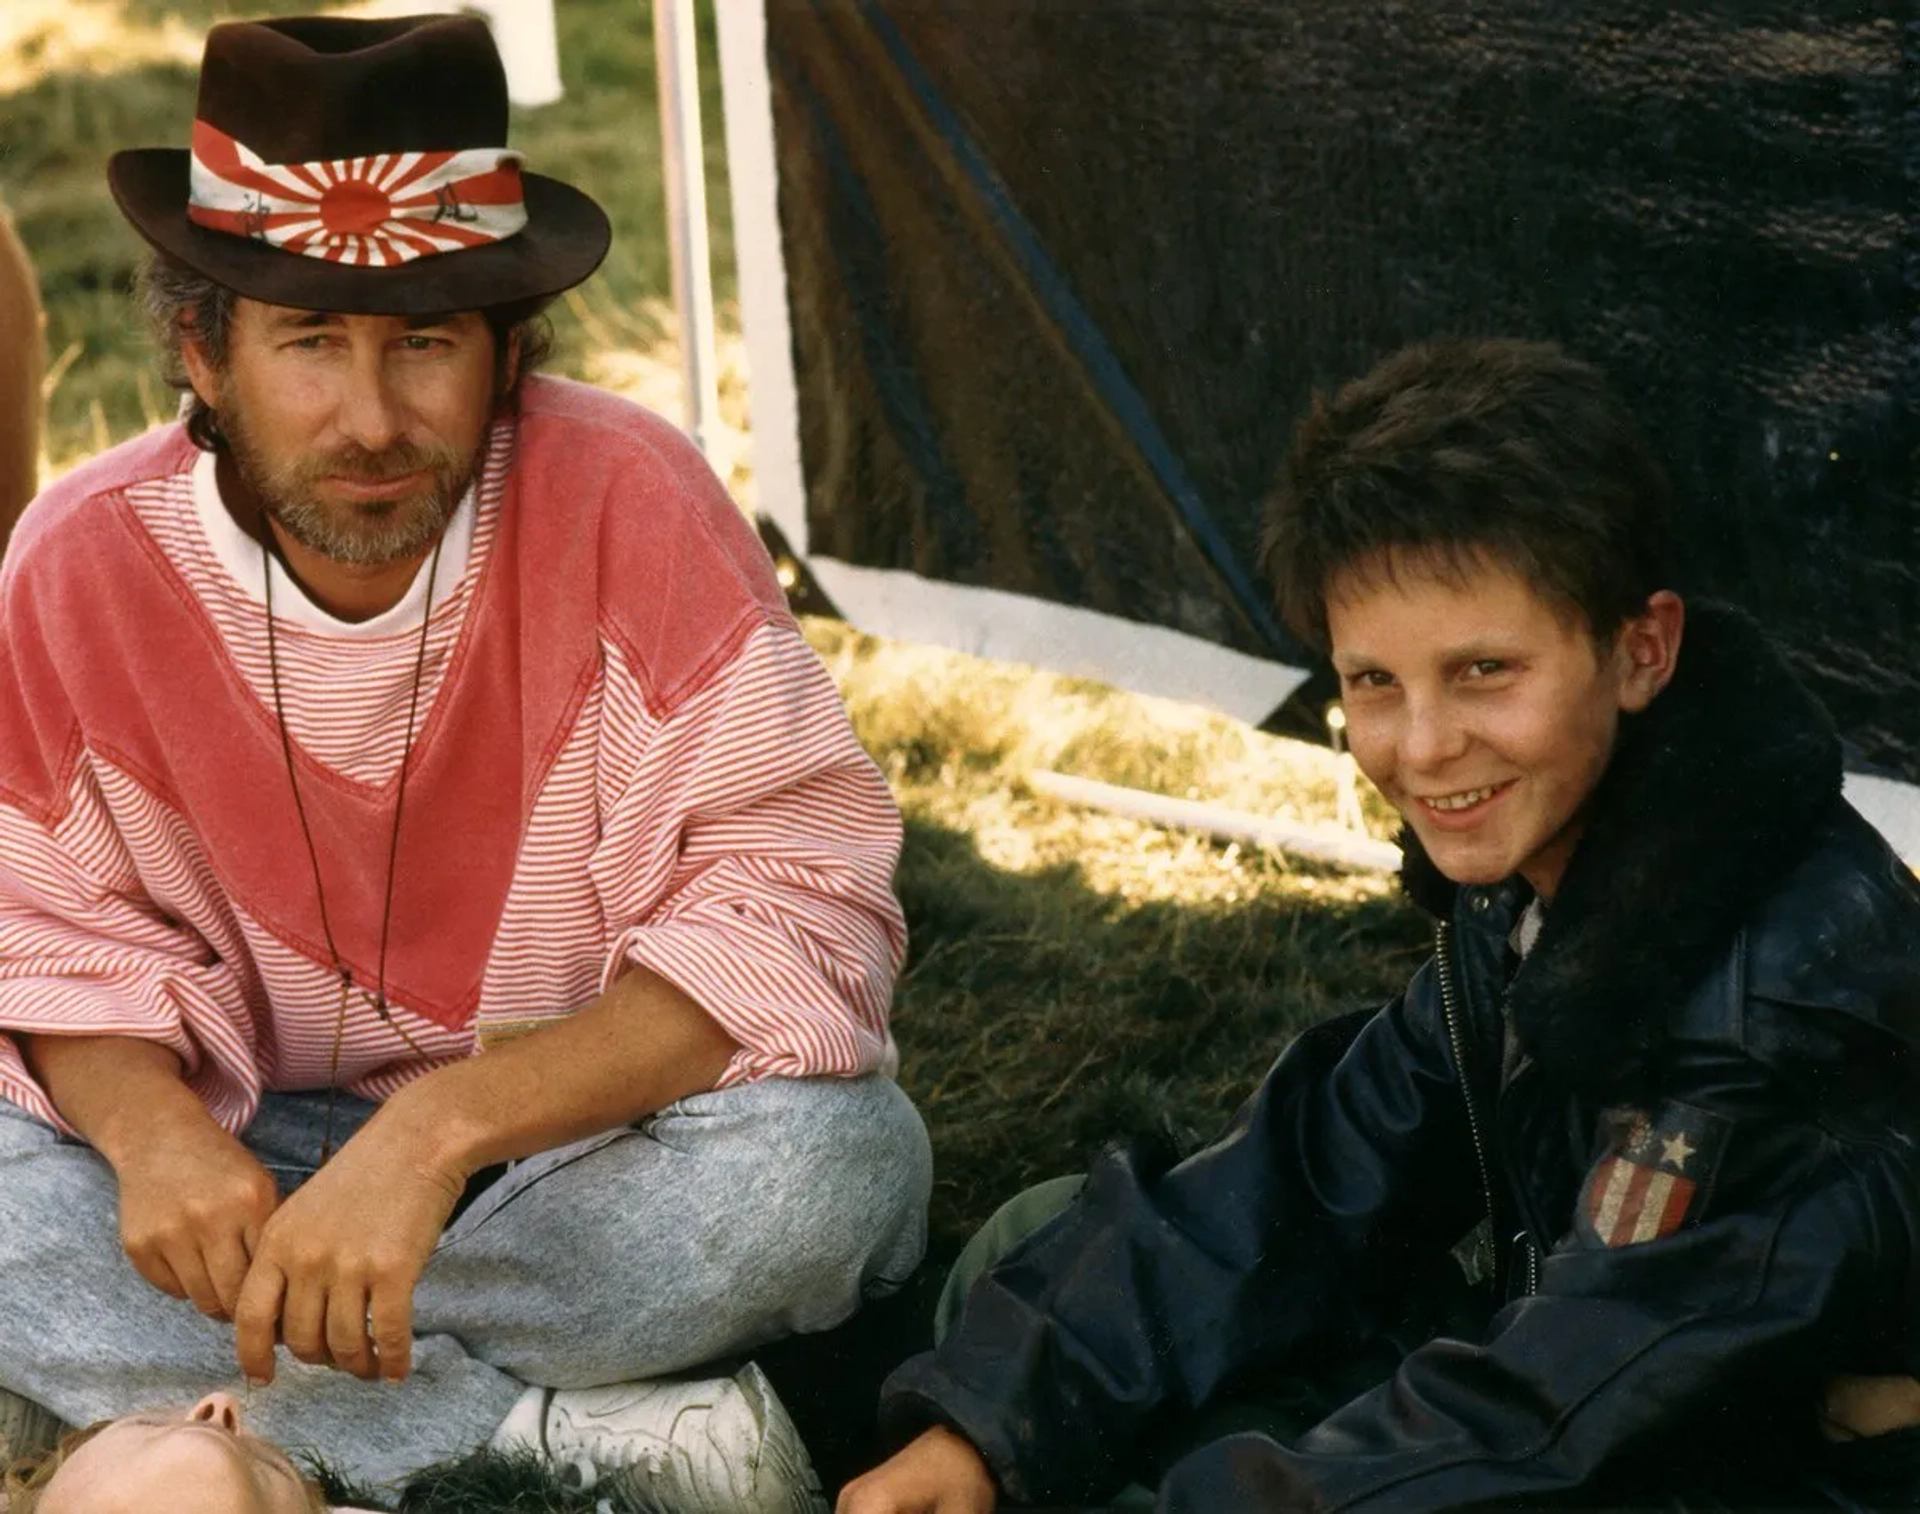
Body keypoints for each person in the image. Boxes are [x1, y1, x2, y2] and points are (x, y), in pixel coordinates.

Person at [0, 15, 929, 1514]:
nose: (371, 421)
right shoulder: (77, 565)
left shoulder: (633, 497)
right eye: (310, 343)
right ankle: (569, 1448)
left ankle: (170, 1401)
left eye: (425, 343)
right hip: (234, 1171)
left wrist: (437, 1134)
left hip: (564, 1154)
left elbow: (797, 910)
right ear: (202, 347)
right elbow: (40, 932)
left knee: (827, 1172)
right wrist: (148, 1130)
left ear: (508, 353)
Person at [839, 339, 1920, 1512]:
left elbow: (1547, 1421)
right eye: (1373, 683)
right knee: (1040, 1256)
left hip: (1749, 1466)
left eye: (1484, 670)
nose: (1422, 747)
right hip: (1586, 1356)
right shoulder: (1563, 850)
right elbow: (1317, 1170)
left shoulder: (1773, 1003)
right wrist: (986, 1429)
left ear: (1640, 650)